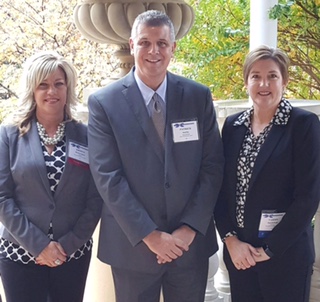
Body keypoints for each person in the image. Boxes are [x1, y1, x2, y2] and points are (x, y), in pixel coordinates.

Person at [87, 10, 224, 302]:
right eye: (145, 42)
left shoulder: (198, 97)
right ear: (132, 44)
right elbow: (107, 177)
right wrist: (150, 235)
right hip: (133, 249)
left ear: (173, 48)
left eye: (162, 43)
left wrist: (188, 229)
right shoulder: (104, 103)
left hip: (189, 247)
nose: (154, 51)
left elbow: (212, 167)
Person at [214, 45, 320, 302]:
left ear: (285, 81)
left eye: (272, 75)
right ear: (246, 82)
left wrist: (271, 249)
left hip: (285, 254)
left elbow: (308, 196)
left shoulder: (303, 125)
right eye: (256, 76)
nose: (264, 83)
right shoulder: (232, 126)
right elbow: (219, 189)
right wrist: (230, 240)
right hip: (241, 254)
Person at [0, 51, 103, 302]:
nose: (51, 92)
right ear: (32, 91)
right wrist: (39, 245)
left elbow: (95, 198)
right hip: (19, 254)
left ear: (68, 88)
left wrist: (66, 245)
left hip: (71, 254)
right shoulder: (9, 135)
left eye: (59, 84)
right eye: (43, 85)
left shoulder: (87, 137)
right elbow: (2, 198)